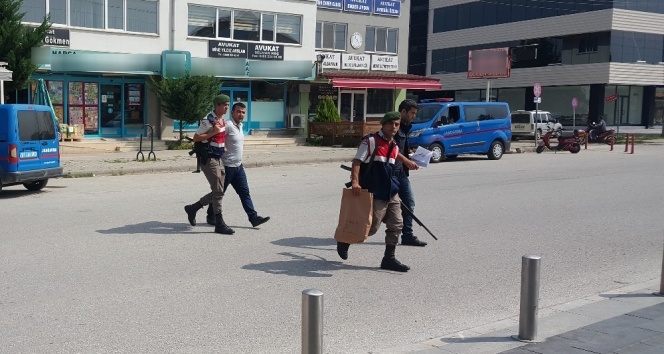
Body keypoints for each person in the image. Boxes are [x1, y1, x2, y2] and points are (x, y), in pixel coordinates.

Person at [337, 112, 410, 272]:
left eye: (397, 124)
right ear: (383, 125)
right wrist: (355, 182)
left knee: (397, 224)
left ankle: (388, 259)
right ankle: (344, 241)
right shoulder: (370, 141)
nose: (394, 127)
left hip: (391, 191)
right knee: (371, 227)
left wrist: (407, 161)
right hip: (375, 191)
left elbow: (396, 156)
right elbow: (357, 161)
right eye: (391, 123)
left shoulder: (394, 145)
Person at [204, 102, 270, 228]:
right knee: (219, 193)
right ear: (232, 112)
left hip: (238, 167)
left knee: (244, 193)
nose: (241, 114)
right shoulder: (228, 125)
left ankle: (253, 218)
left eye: (243, 112)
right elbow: (216, 138)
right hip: (226, 167)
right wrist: (221, 148)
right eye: (238, 111)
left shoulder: (240, 126)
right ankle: (209, 214)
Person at [184, 94, 234, 235]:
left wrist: (222, 147)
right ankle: (219, 223)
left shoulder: (221, 120)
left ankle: (193, 208)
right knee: (218, 191)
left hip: (218, 158)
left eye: (227, 104)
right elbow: (196, 138)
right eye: (224, 104)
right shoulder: (208, 121)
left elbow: (219, 138)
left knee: (219, 191)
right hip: (209, 159)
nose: (226, 107)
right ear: (217, 105)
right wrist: (213, 132)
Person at [393, 99, 427, 247]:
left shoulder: (405, 128)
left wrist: (410, 154)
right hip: (390, 173)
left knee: (409, 203)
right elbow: (391, 149)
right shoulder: (394, 127)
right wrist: (406, 161)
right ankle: (352, 234)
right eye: (412, 113)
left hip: (401, 172)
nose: (414, 116)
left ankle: (407, 235)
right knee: (378, 209)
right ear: (403, 112)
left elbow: (400, 149)